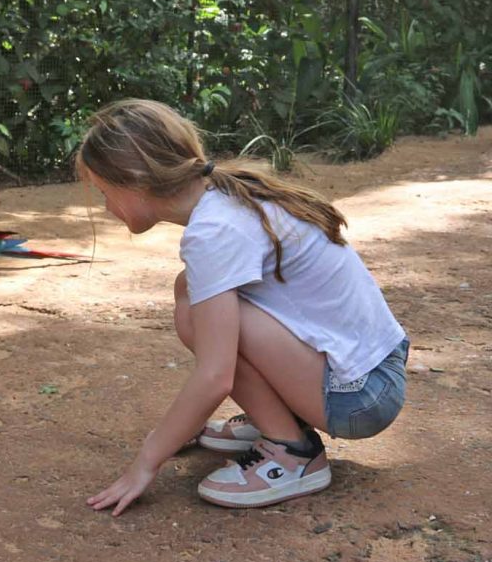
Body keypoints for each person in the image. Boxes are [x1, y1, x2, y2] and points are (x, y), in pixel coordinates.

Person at [78, 99, 409, 515]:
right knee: (192, 292)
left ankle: (294, 453)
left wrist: (148, 460)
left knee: (201, 315)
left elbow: (216, 375)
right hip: (371, 372)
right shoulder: (225, 193)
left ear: (135, 181)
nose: (107, 207)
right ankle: (281, 416)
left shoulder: (213, 231)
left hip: (359, 396)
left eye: (105, 192)